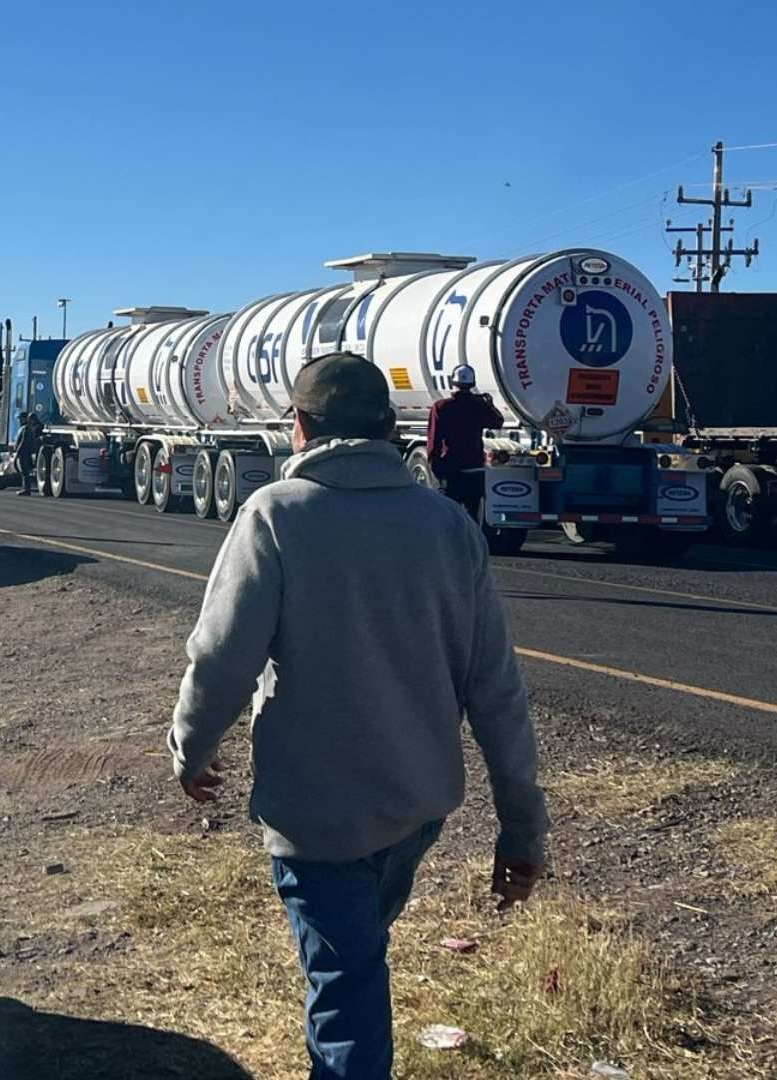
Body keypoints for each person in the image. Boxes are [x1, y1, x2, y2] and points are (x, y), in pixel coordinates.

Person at [167, 352, 548, 1079]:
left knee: (348, 997)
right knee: (353, 962)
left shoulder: (274, 517)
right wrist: (522, 825)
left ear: (300, 427)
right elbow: (495, 686)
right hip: (415, 809)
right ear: (386, 428)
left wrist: (190, 748)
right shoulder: (445, 526)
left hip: (317, 818)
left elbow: (222, 658)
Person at [425, 365, 505, 514]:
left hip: (452, 471)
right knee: (471, 518)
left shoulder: (441, 407)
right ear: (472, 383)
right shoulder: (478, 405)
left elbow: (433, 441)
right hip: (475, 470)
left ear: (452, 382)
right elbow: (498, 421)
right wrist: (489, 404)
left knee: (449, 517)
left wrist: (437, 470)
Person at [13, 410, 45, 496]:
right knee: (24, 471)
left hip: (24, 452)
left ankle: (26, 489)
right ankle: (25, 488)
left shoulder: (26, 428)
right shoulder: (28, 428)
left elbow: (23, 441)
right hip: (25, 452)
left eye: (20, 418)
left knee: (24, 472)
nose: (19, 420)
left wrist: (18, 451)